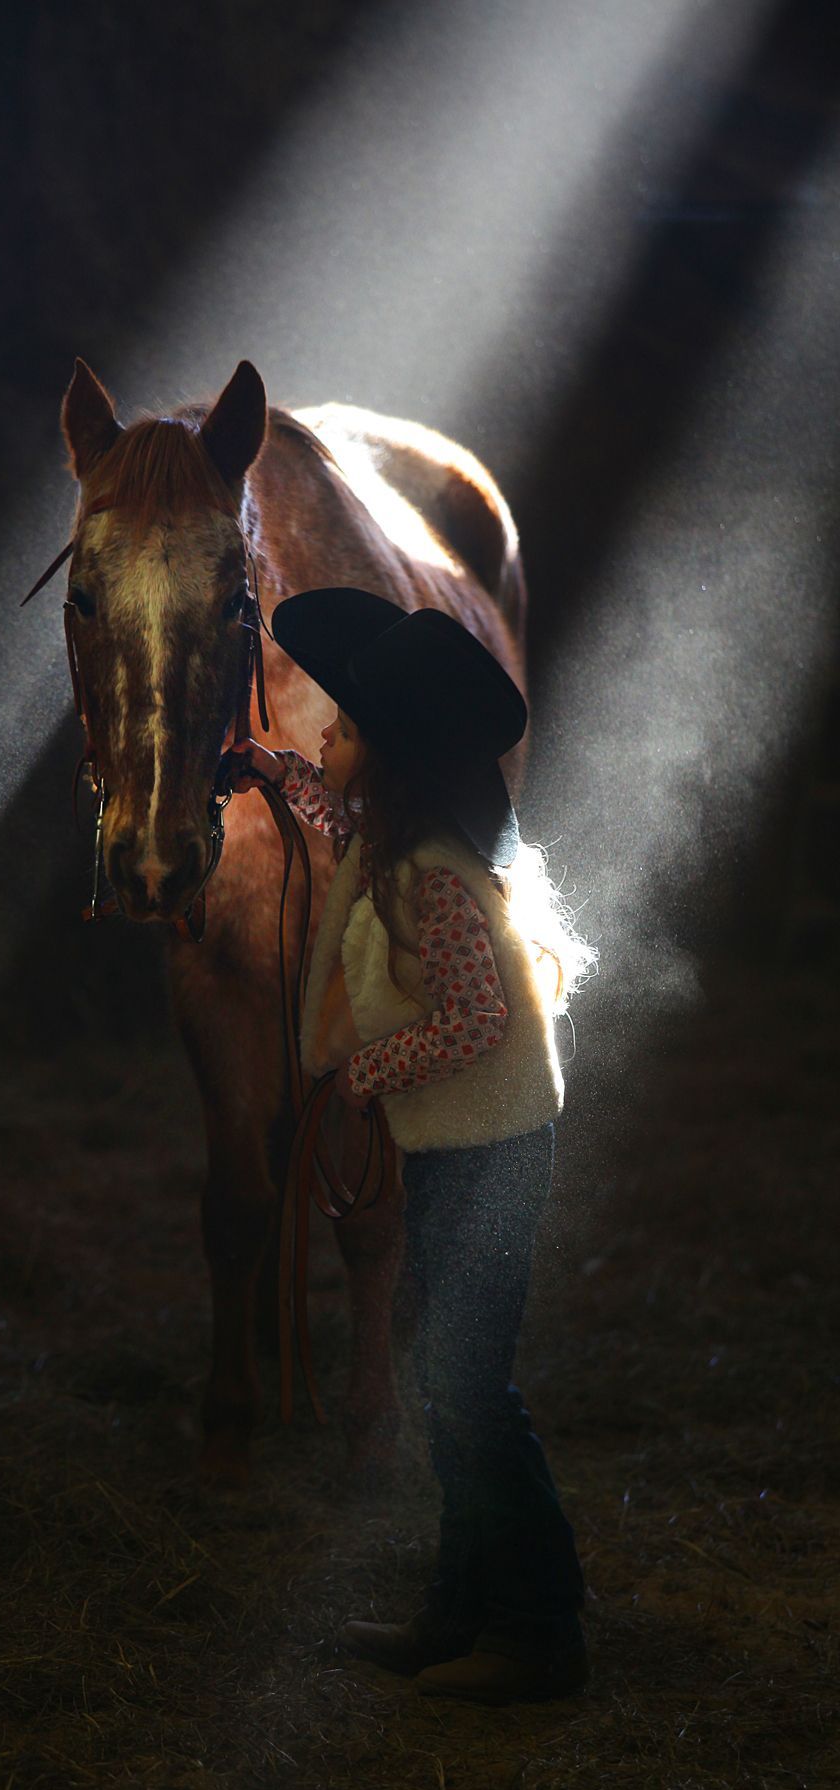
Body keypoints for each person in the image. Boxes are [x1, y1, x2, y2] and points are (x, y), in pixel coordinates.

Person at [233, 587, 595, 1706]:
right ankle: (463, 1611)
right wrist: (265, 768)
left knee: (472, 1389)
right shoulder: (396, 839)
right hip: (462, 1148)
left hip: (488, 1157)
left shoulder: (433, 876)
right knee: (451, 1384)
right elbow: (335, 819)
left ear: (384, 754)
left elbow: (477, 1021)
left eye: (338, 730)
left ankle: (534, 1632)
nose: (324, 739)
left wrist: (362, 1078)